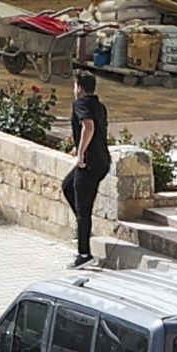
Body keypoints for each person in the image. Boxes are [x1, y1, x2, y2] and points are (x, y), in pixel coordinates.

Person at [59, 70, 112, 265]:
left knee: (84, 209)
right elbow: (97, 131)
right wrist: (78, 146)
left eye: (75, 85)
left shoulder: (80, 104)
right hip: (102, 161)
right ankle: (84, 228)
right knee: (67, 186)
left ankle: (84, 254)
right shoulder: (99, 105)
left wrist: (81, 153)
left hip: (90, 163)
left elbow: (88, 127)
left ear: (79, 88)